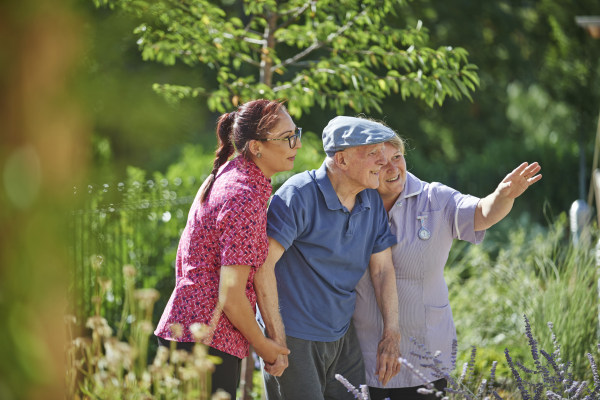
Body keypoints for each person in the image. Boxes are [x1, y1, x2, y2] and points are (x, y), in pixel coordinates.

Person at [352, 132, 542, 400]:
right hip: (366, 351)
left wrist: (502, 197)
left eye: (397, 157)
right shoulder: (351, 202)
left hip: (427, 351)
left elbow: (480, 213)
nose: (393, 167)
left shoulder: (434, 198)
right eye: (382, 162)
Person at [154, 99, 302, 399]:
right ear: (256, 147)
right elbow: (231, 295)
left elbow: (185, 259)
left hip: (189, 335)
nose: (296, 144)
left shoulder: (229, 175)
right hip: (205, 345)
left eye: (296, 133)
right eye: (287, 138)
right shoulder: (243, 195)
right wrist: (265, 348)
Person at [255, 116, 404, 400]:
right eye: (373, 153)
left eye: (383, 153)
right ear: (342, 160)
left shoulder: (370, 199)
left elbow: (383, 270)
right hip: (295, 338)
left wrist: (392, 334)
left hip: (342, 335)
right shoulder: (298, 195)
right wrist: (274, 336)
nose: (383, 162)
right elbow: (262, 266)